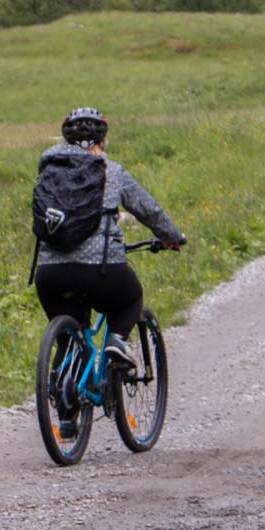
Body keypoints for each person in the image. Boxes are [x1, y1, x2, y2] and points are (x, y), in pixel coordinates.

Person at [33, 108, 186, 429]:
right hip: (101, 269)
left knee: (69, 338)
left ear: (65, 138)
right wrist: (172, 237)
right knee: (131, 298)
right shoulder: (111, 170)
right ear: (102, 140)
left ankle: (66, 416)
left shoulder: (48, 169)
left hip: (50, 273)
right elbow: (148, 208)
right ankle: (116, 342)